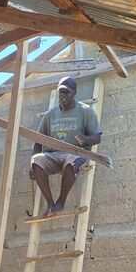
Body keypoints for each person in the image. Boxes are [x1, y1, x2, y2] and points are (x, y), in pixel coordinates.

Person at [30, 76, 102, 217]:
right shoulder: (50, 115)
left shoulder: (85, 111)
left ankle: (60, 202)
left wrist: (86, 139)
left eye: (66, 92)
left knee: (71, 161)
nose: (63, 96)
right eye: (61, 92)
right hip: (53, 155)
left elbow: (97, 137)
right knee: (36, 161)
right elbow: (38, 141)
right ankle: (51, 205)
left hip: (75, 153)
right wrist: (32, 163)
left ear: (74, 93)